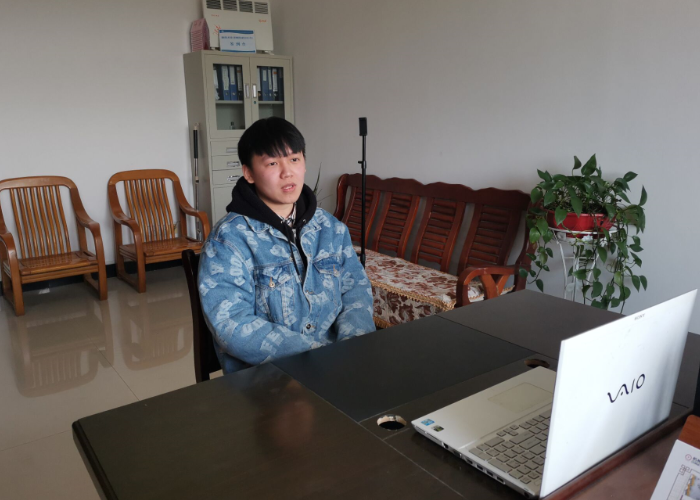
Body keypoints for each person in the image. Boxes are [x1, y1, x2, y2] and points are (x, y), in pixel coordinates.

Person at [198, 117, 375, 373]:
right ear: (248, 173)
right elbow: (230, 323)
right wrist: (316, 356)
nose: (287, 172)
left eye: (294, 159)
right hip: (268, 378)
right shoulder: (229, 240)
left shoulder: (330, 228)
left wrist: (351, 347)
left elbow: (355, 289)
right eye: (272, 163)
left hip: (339, 365)